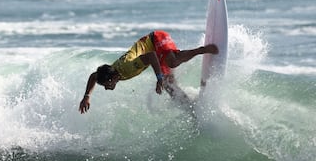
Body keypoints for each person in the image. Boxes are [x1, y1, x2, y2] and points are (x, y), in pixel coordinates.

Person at [79, 30, 218, 114]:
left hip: (155, 39)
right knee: (172, 90)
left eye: (106, 85)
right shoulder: (112, 71)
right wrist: (86, 96)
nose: (107, 88)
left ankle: (202, 50)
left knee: (173, 62)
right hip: (154, 52)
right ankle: (194, 111)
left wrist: (159, 78)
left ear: (113, 77)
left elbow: (152, 56)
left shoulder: (128, 67)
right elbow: (94, 76)